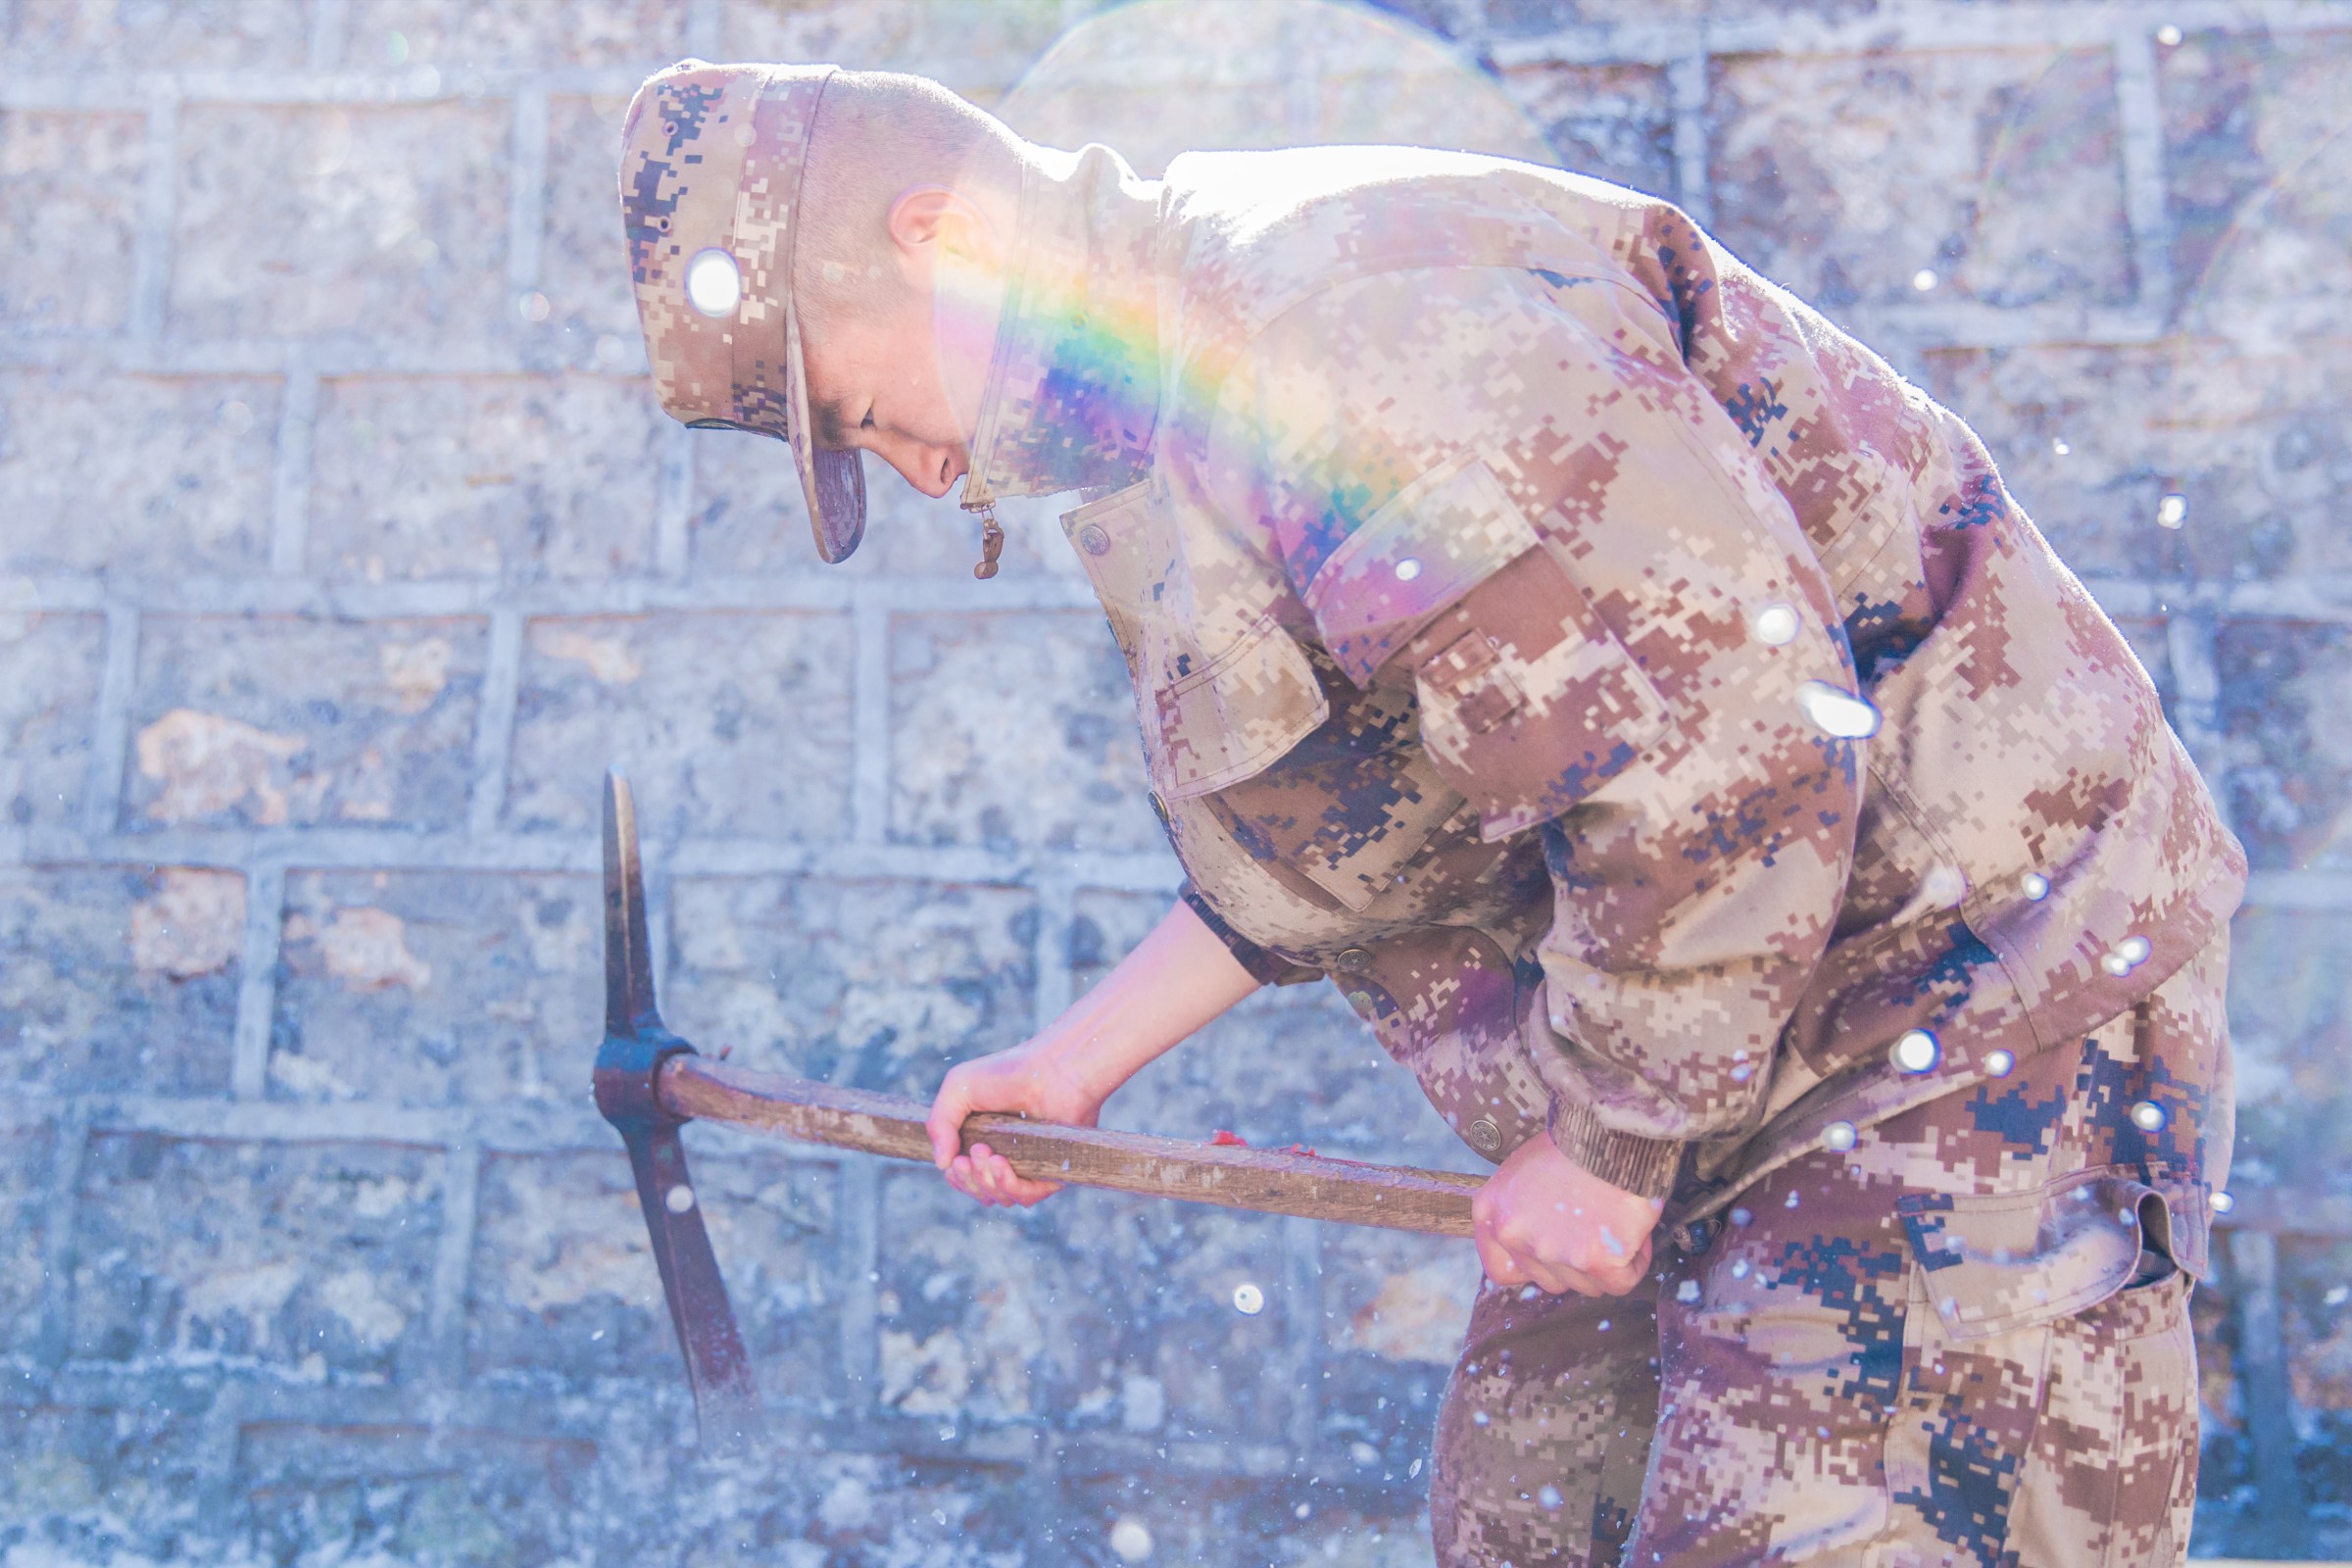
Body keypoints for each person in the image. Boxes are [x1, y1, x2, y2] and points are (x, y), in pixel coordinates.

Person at [616, 58, 2243, 1568]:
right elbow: (1353, 836)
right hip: (1706, 1065)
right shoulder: (1167, 418)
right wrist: (1076, 1063)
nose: (911, 472)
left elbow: (1722, 748)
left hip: (1958, 1025)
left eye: (865, 408)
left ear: (944, 232)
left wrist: (1610, 1147)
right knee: (1532, 1516)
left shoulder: (1355, 317)